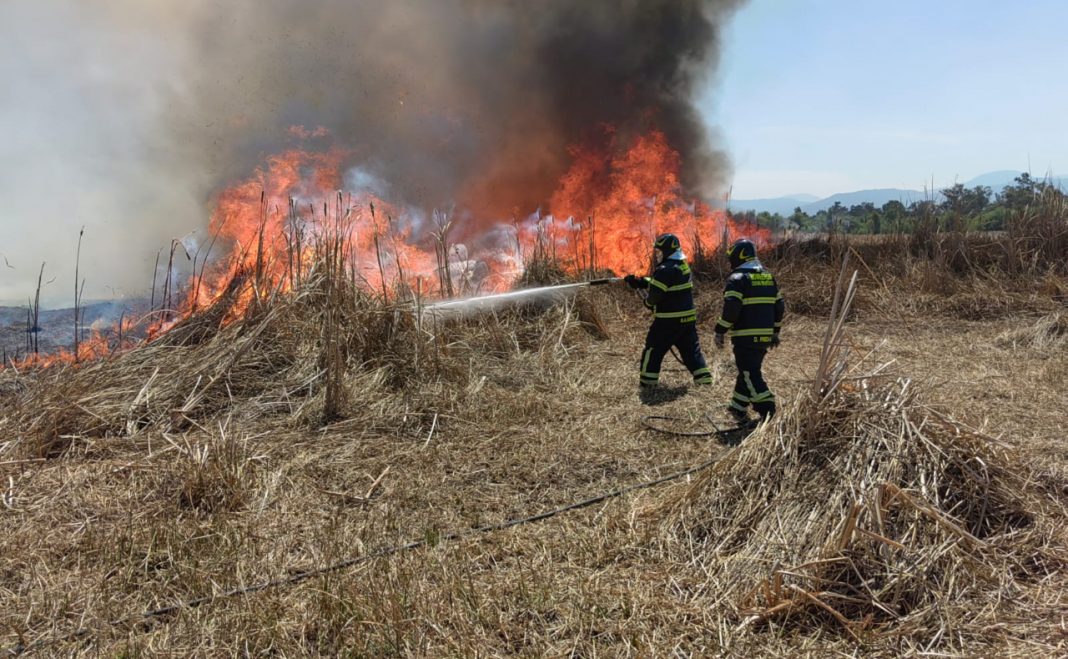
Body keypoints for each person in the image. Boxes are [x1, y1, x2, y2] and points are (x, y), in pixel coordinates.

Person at [624, 233, 713, 389]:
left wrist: (647, 301)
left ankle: (647, 383)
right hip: (687, 319)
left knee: (653, 349)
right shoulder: (682, 265)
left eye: (660, 251)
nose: (658, 254)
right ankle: (704, 379)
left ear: (666, 250)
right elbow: (666, 282)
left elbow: (656, 295)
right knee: (691, 350)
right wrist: (643, 282)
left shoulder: (664, 269)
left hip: (668, 321)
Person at [712, 238, 784, 424]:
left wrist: (720, 330)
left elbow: (731, 310)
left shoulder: (737, 279)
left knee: (749, 373)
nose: (730, 262)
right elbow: (779, 306)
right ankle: (738, 407)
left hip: (745, 337)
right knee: (749, 370)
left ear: (739, 256)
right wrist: (775, 331)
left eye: (731, 258)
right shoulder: (768, 277)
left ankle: (768, 409)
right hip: (764, 336)